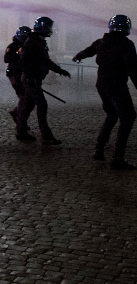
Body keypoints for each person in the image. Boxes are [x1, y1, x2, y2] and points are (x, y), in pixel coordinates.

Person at [73, 14, 137, 170]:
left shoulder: (102, 42)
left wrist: (77, 57)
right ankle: (118, 158)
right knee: (128, 118)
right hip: (117, 86)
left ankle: (99, 149)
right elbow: (133, 70)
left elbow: (88, 51)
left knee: (112, 115)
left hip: (101, 85)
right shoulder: (126, 45)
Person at [16, 17, 71, 144]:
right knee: (42, 104)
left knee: (27, 106)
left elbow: (45, 61)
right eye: (49, 27)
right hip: (32, 79)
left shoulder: (39, 42)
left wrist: (60, 71)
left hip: (34, 79)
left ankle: (21, 132)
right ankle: (46, 136)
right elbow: (23, 62)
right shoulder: (32, 42)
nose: (51, 30)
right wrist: (30, 78)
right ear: (43, 27)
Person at [4, 26, 31, 125]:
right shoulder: (12, 46)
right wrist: (17, 53)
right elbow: (6, 59)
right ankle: (19, 120)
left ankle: (17, 114)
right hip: (14, 75)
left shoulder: (26, 45)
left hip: (23, 75)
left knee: (26, 97)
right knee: (23, 97)